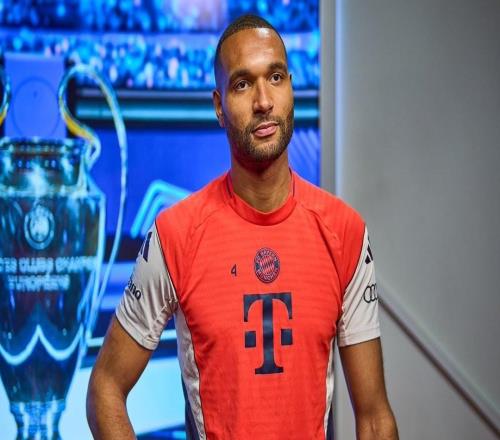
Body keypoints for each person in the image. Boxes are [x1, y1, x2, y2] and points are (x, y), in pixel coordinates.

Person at [86, 14, 399, 440]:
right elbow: (105, 388)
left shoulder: (343, 232)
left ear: (291, 87)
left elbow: (375, 418)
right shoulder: (176, 234)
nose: (264, 101)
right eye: (242, 84)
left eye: (275, 77)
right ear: (219, 106)